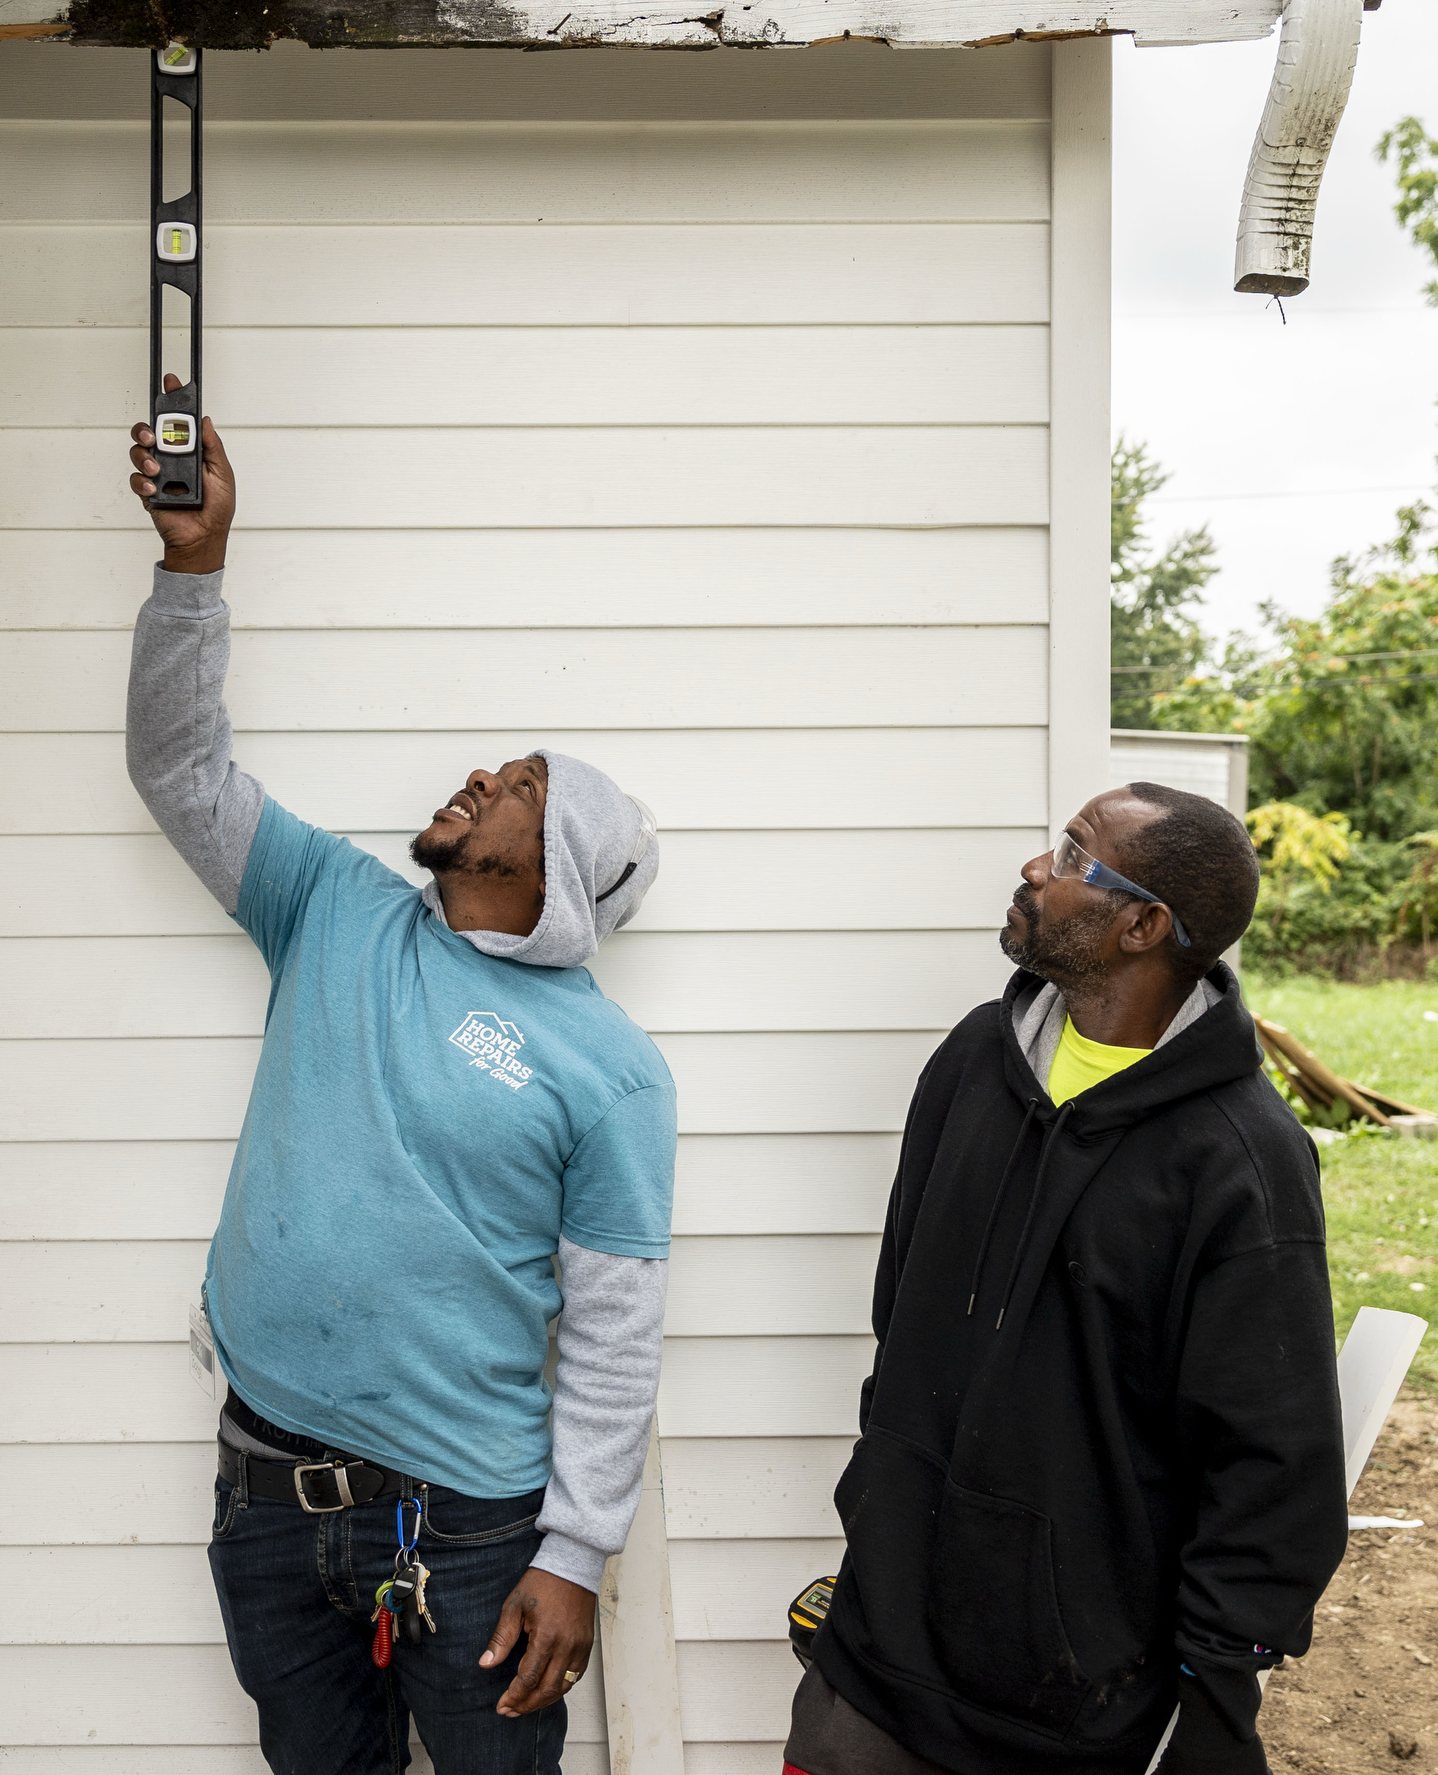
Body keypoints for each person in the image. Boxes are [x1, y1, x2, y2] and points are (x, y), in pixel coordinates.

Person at [122, 399, 677, 1775]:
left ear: (558, 871)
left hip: (471, 1525)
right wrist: (196, 564)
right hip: (267, 1483)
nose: (482, 774)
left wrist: (577, 1551)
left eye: (523, 785)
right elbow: (180, 771)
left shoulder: (609, 1067)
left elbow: (614, 1327)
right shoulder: (337, 906)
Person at [788, 786, 1343, 1775]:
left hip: (1073, 1709)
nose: (1035, 869)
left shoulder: (1239, 1159)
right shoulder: (973, 1061)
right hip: (878, 1658)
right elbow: (901, 1306)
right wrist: (879, 1509)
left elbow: (1272, 1462)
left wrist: (1208, 1694)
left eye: (1073, 856)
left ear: (1142, 925)